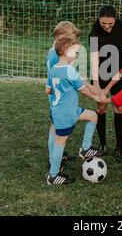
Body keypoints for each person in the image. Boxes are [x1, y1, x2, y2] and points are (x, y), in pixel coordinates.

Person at [46, 35, 103, 185]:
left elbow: (48, 90)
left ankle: (85, 148)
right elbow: (83, 90)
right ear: (66, 51)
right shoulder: (69, 71)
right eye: (75, 52)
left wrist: (97, 91)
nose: (77, 55)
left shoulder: (54, 69)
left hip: (59, 110)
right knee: (60, 142)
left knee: (92, 116)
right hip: (66, 114)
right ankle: (53, 175)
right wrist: (97, 98)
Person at [89, 5, 122, 161]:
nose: (107, 26)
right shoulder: (94, 32)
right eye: (103, 23)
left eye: (110, 24)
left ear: (115, 20)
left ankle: (119, 147)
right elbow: (94, 58)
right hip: (101, 72)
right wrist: (96, 83)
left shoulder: (121, 25)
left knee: (119, 107)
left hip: (119, 72)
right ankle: (103, 145)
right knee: (101, 106)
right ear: (99, 18)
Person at [45, 21, 80, 173]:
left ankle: (57, 156)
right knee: (55, 128)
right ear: (62, 38)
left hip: (58, 96)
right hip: (57, 97)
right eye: (71, 38)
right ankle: (53, 159)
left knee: (55, 127)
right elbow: (55, 78)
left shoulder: (54, 52)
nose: (74, 42)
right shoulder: (54, 56)